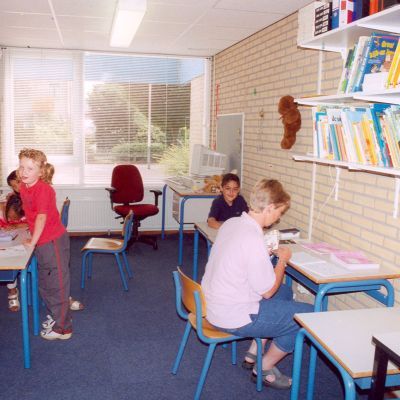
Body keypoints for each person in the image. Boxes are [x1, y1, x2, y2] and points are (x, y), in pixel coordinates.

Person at [201, 179, 313, 389]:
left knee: (285, 293)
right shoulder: (253, 238)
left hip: (212, 304)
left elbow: (241, 259)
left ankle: (254, 352)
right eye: (279, 212)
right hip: (232, 315)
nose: (279, 217)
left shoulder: (233, 223)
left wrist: (264, 253)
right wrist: (282, 261)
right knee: (308, 315)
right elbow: (268, 291)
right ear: (269, 207)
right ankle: (264, 367)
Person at [18, 148, 73, 340]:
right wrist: (33, 237)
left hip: (53, 241)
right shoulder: (24, 186)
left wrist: (32, 242)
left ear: (41, 172)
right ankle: (56, 316)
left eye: (30, 168)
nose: (24, 172)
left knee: (57, 284)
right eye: (21, 167)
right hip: (42, 241)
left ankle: (64, 328)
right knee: (46, 283)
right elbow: (32, 214)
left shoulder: (43, 189)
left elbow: (41, 217)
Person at [0, 193, 27, 312]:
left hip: (12, 242)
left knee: (11, 259)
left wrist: (16, 225)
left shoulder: (22, 210)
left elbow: (30, 223)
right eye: (9, 217)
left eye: (15, 218)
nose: (11, 220)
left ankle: (12, 289)